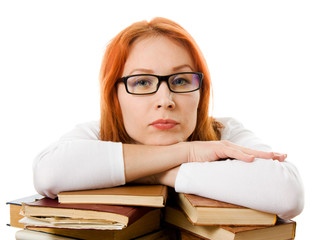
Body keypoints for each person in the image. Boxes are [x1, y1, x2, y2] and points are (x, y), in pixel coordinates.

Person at [33, 17, 304, 220]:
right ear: (114, 96)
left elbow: (287, 194)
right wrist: (188, 152)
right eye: (141, 82)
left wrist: (157, 172)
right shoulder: (96, 136)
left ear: (201, 91)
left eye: (181, 80)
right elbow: (48, 173)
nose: (166, 100)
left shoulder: (223, 133)